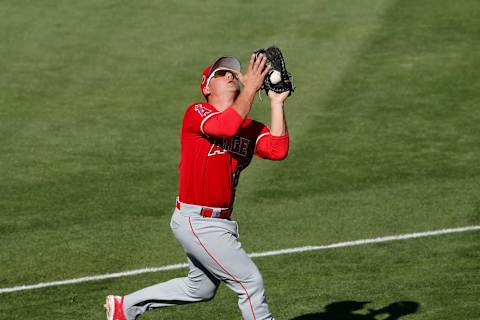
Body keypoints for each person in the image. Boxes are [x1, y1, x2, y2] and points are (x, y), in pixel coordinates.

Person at [105, 53, 290, 320]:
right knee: (250, 283)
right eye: (220, 74)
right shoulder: (197, 113)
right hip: (197, 221)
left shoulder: (249, 128)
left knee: (200, 288)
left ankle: (125, 308)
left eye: (232, 73)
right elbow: (225, 128)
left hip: (219, 222)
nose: (230, 76)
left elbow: (277, 149)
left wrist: (276, 103)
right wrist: (250, 88)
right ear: (206, 87)